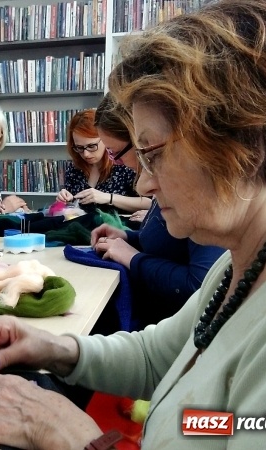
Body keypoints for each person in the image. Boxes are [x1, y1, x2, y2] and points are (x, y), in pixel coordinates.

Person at [0, 1, 266, 448]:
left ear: (243, 139)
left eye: (153, 153)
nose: (143, 183)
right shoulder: (261, 250)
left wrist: (77, 437)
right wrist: (54, 349)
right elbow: (161, 359)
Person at [91, 93, 225, 330]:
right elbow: (170, 245)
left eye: (114, 153)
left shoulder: (197, 192)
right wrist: (127, 237)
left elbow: (198, 287)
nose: (116, 162)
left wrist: (133, 258)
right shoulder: (165, 185)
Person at [55, 109, 150, 215]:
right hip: (82, 227)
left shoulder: (124, 164)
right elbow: (65, 209)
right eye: (79, 148)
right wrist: (62, 202)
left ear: (105, 140)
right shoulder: (74, 168)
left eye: (91, 146)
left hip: (118, 228)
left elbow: (150, 203)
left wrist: (108, 198)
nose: (86, 154)